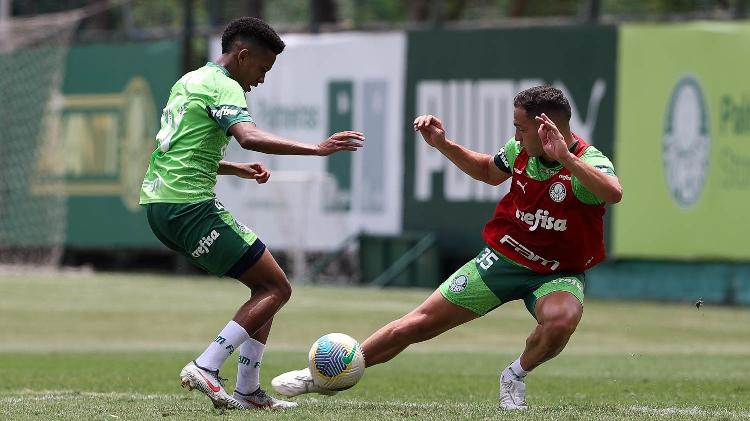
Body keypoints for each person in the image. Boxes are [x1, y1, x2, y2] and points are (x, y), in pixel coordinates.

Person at [271, 86, 622, 410]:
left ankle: (514, 375)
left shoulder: (587, 160)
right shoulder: (519, 151)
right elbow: (488, 170)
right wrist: (442, 144)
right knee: (416, 324)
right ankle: (324, 375)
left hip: (558, 272)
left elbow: (613, 193)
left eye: (521, 127)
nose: (515, 135)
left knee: (561, 321)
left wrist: (567, 159)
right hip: (503, 259)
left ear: (549, 127)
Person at [139, 17, 364, 411]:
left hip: (160, 205)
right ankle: (207, 365)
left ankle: (248, 389)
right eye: (262, 68)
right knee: (279, 289)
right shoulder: (223, 86)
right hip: (188, 206)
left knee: (266, 287)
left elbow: (174, 151)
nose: (261, 80)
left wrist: (234, 169)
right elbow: (250, 137)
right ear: (242, 56)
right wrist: (317, 149)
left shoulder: (190, 80)